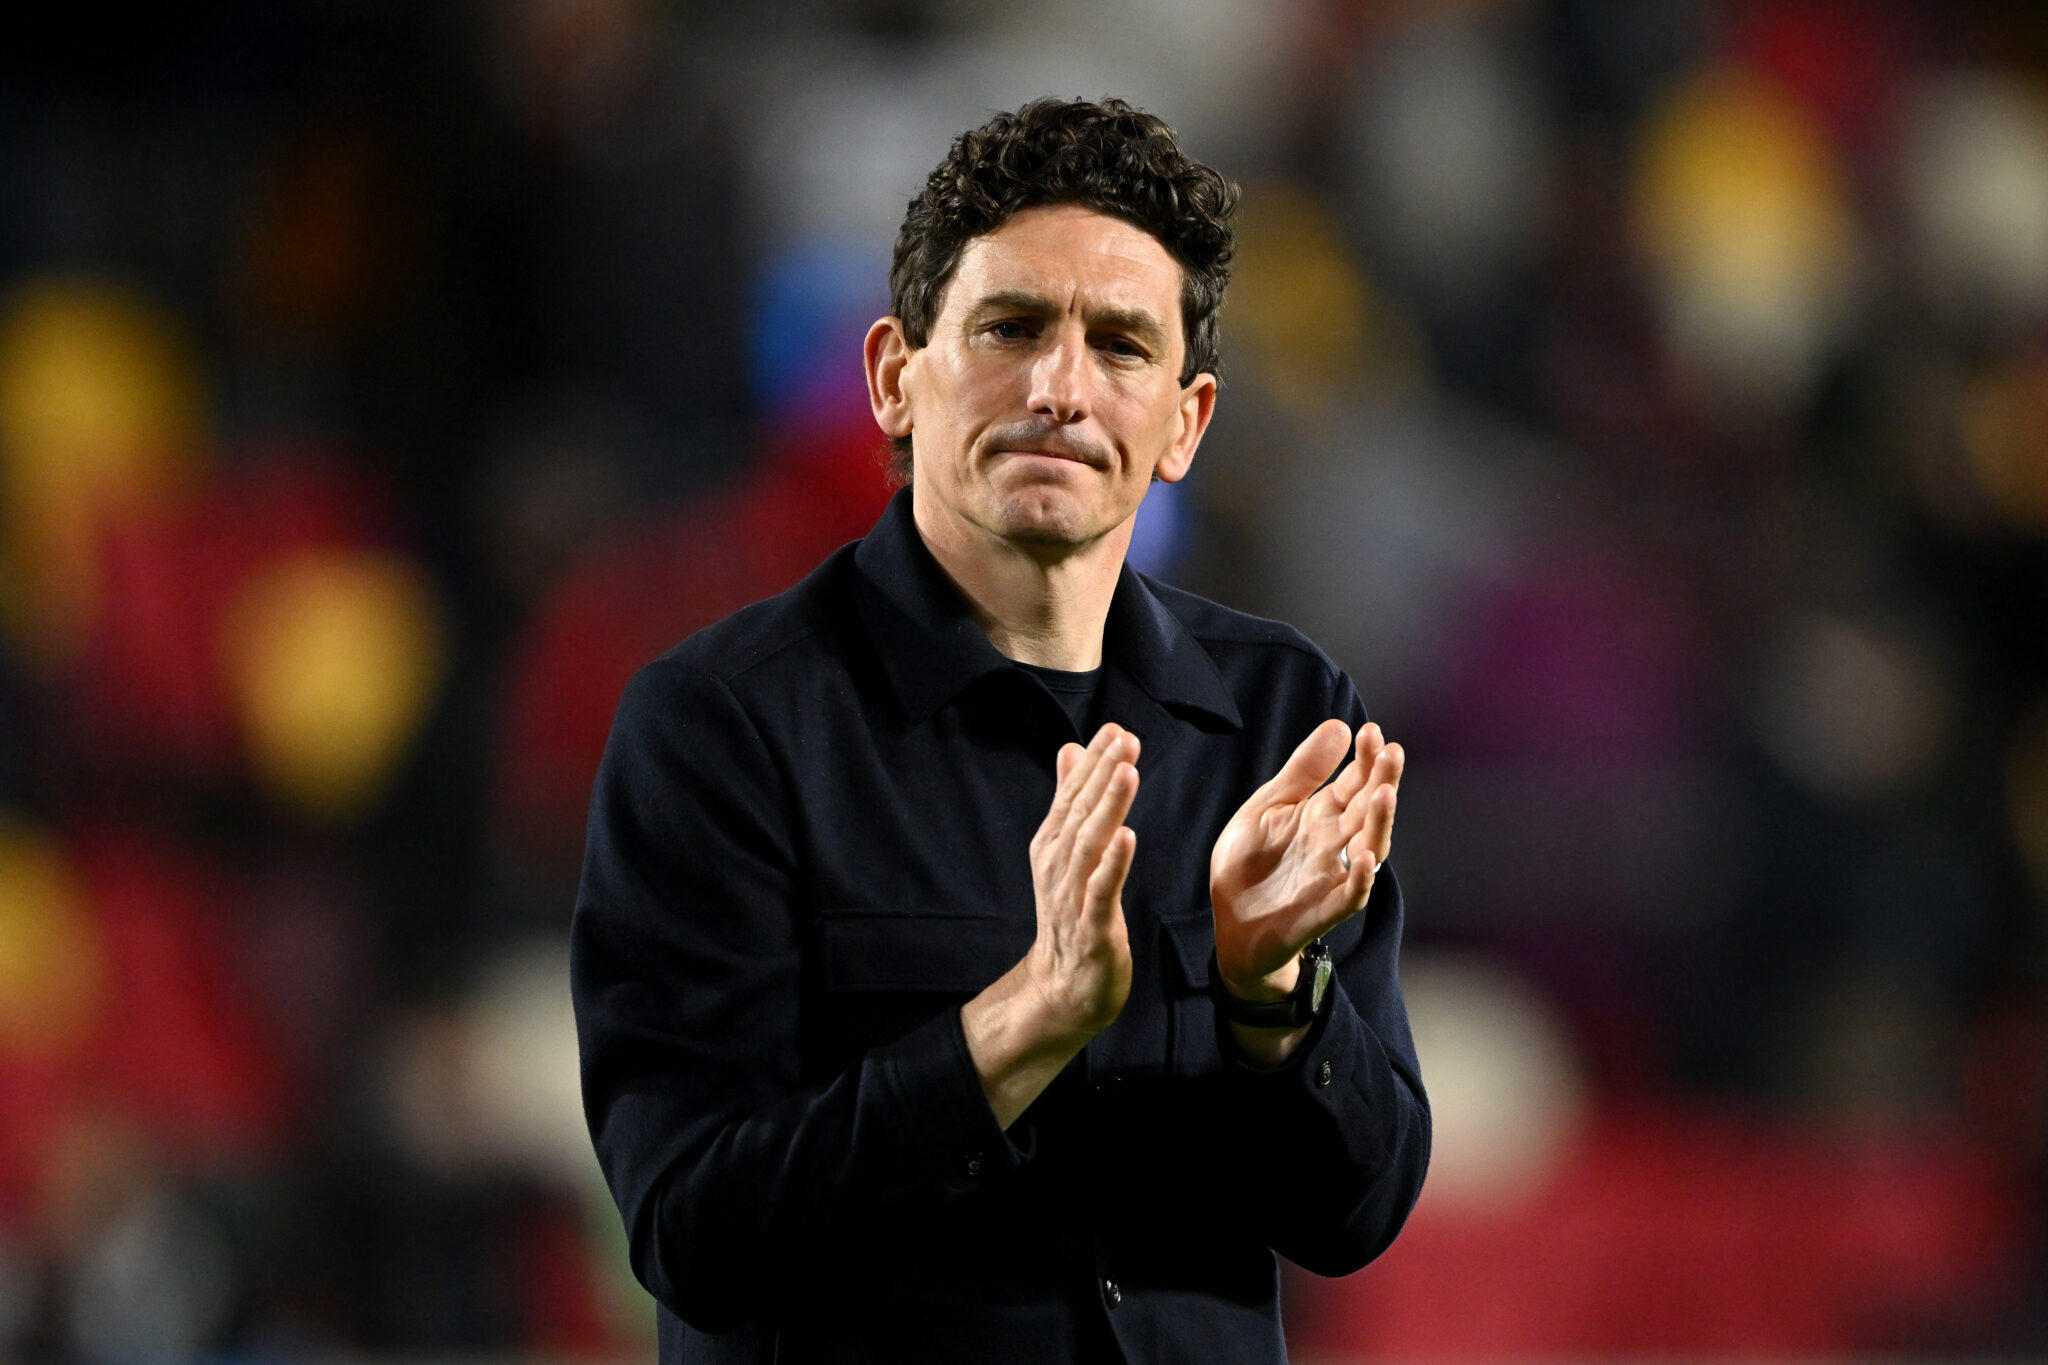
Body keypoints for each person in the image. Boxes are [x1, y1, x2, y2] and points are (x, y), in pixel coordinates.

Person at [572, 97, 1429, 1364]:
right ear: (891, 378)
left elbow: (1354, 1211)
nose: (1060, 388)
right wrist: (1016, 1027)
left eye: (1122, 345)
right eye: (1010, 327)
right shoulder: (722, 729)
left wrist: (1271, 998)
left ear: (1184, 423)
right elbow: (694, 1230)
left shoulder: (1282, 720)